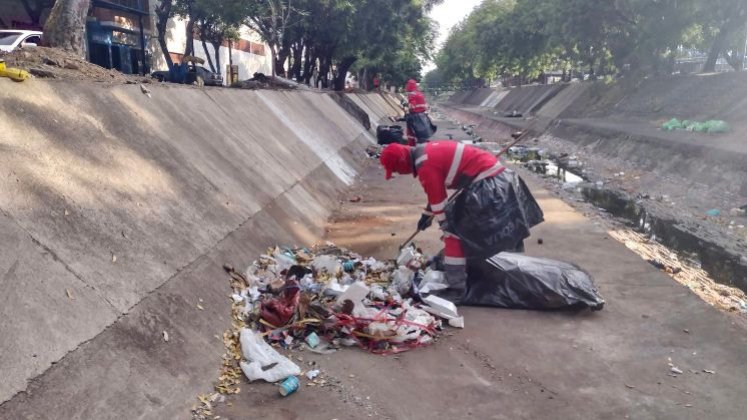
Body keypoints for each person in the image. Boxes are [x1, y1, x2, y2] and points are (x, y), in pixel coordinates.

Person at [379, 141, 544, 296]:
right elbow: (436, 195)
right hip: (494, 178)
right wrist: (427, 215)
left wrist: (446, 225)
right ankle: (488, 267)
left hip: (489, 184)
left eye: (395, 169)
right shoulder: (424, 152)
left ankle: (456, 288)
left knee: (454, 235)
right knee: (464, 229)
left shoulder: (425, 166)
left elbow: (439, 201)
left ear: (402, 162)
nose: (398, 173)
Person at [401, 79, 433, 146]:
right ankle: (426, 146)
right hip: (422, 115)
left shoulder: (412, 94)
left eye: (407, 85)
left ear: (409, 85)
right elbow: (422, 105)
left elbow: (412, 107)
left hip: (415, 116)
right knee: (422, 132)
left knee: (411, 133)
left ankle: (411, 147)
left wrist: (405, 105)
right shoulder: (419, 93)